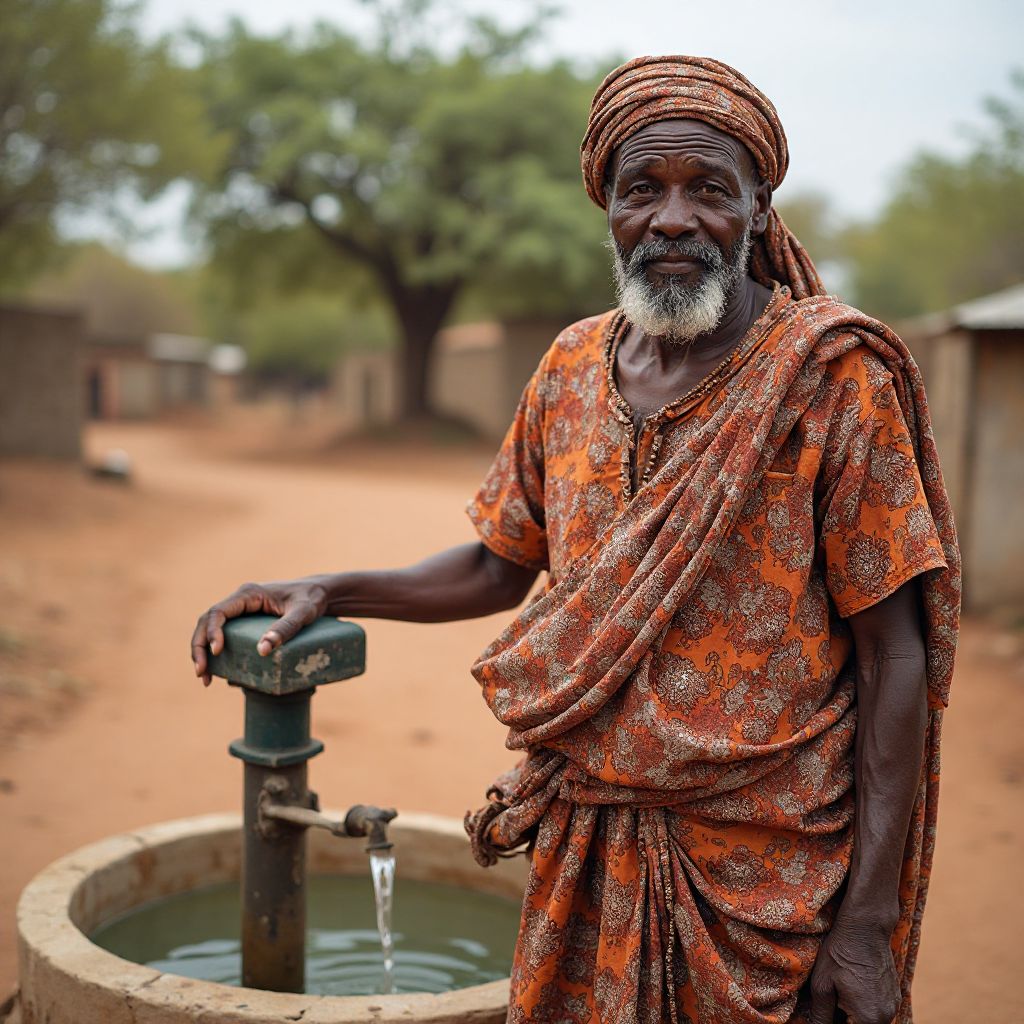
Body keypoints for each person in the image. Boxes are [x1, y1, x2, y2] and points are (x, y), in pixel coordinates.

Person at [191, 56, 960, 1024]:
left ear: (759, 209)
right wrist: (324, 586)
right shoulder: (566, 366)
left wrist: (865, 920)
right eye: (643, 189)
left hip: (767, 865)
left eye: (709, 191)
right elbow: (496, 562)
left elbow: (895, 652)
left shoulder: (832, 379)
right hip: (585, 840)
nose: (672, 219)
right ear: (607, 206)